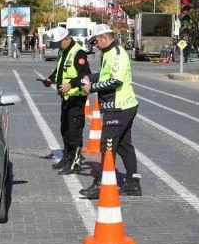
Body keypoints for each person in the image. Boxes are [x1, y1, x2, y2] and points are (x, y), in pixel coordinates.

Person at [79, 23, 141, 199]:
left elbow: (115, 81)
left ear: (104, 38)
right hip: (120, 106)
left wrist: (92, 87)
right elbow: (105, 74)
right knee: (123, 145)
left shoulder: (117, 54)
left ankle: (101, 184)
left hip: (119, 106)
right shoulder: (108, 53)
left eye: (96, 41)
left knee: (107, 145)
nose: (95, 46)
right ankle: (132, 183)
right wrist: (90, 77)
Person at [40, 26, 91, 175]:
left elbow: (85, 75)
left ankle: (74, 162)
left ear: (67, 39)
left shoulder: (78, 53)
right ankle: (67, 157)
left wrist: (70, 85)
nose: (57, 45)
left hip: (76, 98)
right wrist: (50, 79)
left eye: (59, 42)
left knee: (74, 132)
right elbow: (60, 70)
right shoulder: (64, 51)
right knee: (65, 130)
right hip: (66, 98)